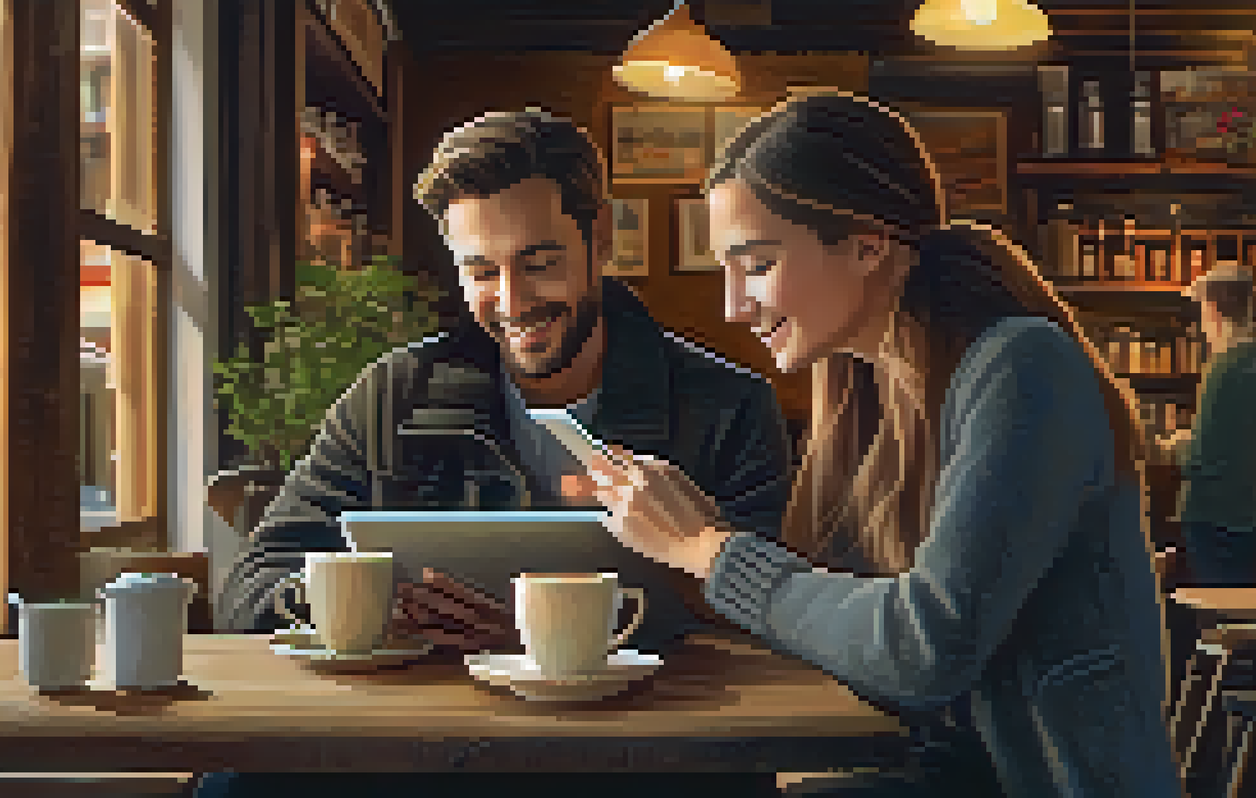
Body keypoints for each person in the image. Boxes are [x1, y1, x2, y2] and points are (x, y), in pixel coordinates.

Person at [563, 89, 1182, 797]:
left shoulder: (1020, 367)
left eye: (757, 263)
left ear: (866, 245)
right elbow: (840, 624)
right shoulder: (867, 390)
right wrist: (692, 550)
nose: (734, 306)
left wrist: (710, 548)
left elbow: (923, 650)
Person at [200, 109, 793, 797]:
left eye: (538, 264)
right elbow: (251, 587)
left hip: (633, 754)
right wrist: (356, 609)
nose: (511, 302)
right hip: (423, 749)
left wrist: (558, 636)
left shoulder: (726, 407)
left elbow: (767, 619)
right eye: (481, 271)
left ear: (599, 238)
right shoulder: (394, 395)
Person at [1158, 263, 1256, 585]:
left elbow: (1202, 460)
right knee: (1241, 609)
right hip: (1255, 516)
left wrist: (1177, 445)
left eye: (1203, 311)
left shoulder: (1222, 368)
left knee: (1216, 616)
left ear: (1215, 310)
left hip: (1213, 520)